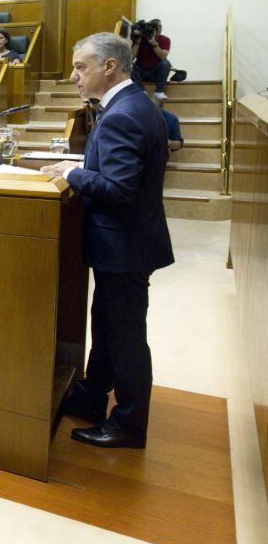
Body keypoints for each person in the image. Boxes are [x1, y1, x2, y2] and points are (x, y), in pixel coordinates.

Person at [41, 32, 173, 449]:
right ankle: (92, 395)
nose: (74, 76)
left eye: (81, 67)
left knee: (127, 338)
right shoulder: (130, 105)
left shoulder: (123, 115)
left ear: (109, 67)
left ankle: (129, 425)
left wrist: (72, 174)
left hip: (125, 245)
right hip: (125, 243)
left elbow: (119, 190)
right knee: (107, 324)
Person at [131, 19, 172, 101]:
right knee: (128, 64)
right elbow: (131, 58)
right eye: (157, 26)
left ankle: (158, 92)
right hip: (140, 72)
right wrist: (137, 41)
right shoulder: (139, 38)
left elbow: (163, 56)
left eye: (160, 26)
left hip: (155, 73)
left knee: (166, 63)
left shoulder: (165, 39)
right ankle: (142, 91)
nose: (159, 28)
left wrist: (153, 43)